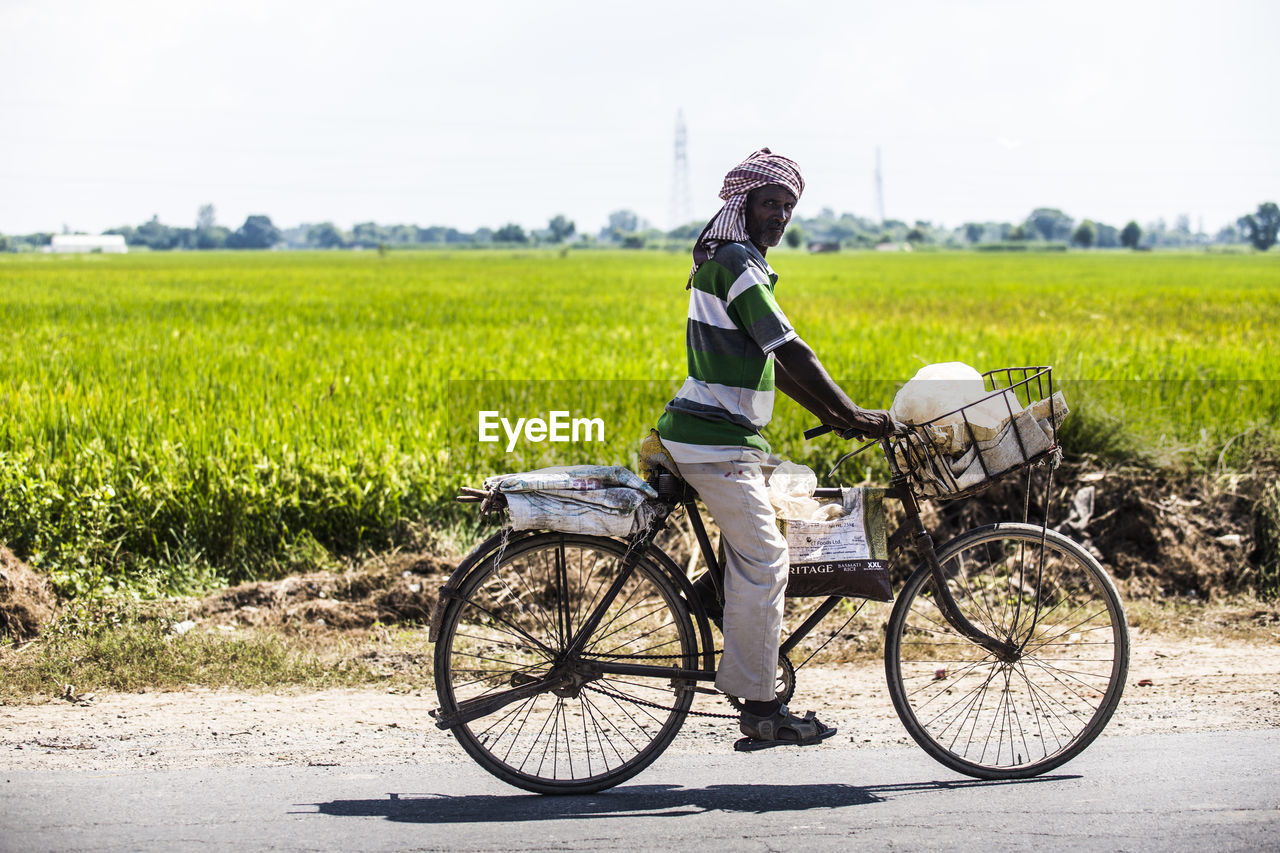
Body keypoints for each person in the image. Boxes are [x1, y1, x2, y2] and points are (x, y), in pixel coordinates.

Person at [654, 148, 893, 749]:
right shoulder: (735, 261)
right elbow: (790, 350)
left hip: (726, 437)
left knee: (792, 518)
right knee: (767, 561)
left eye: (788, 206)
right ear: (743, 204)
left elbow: (771, 361)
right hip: (715, 442)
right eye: (770, 203)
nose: (779, 215)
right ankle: (761, 708)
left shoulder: (732, 261)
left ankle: (719, 601)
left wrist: (835, 416)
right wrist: (852, 412)